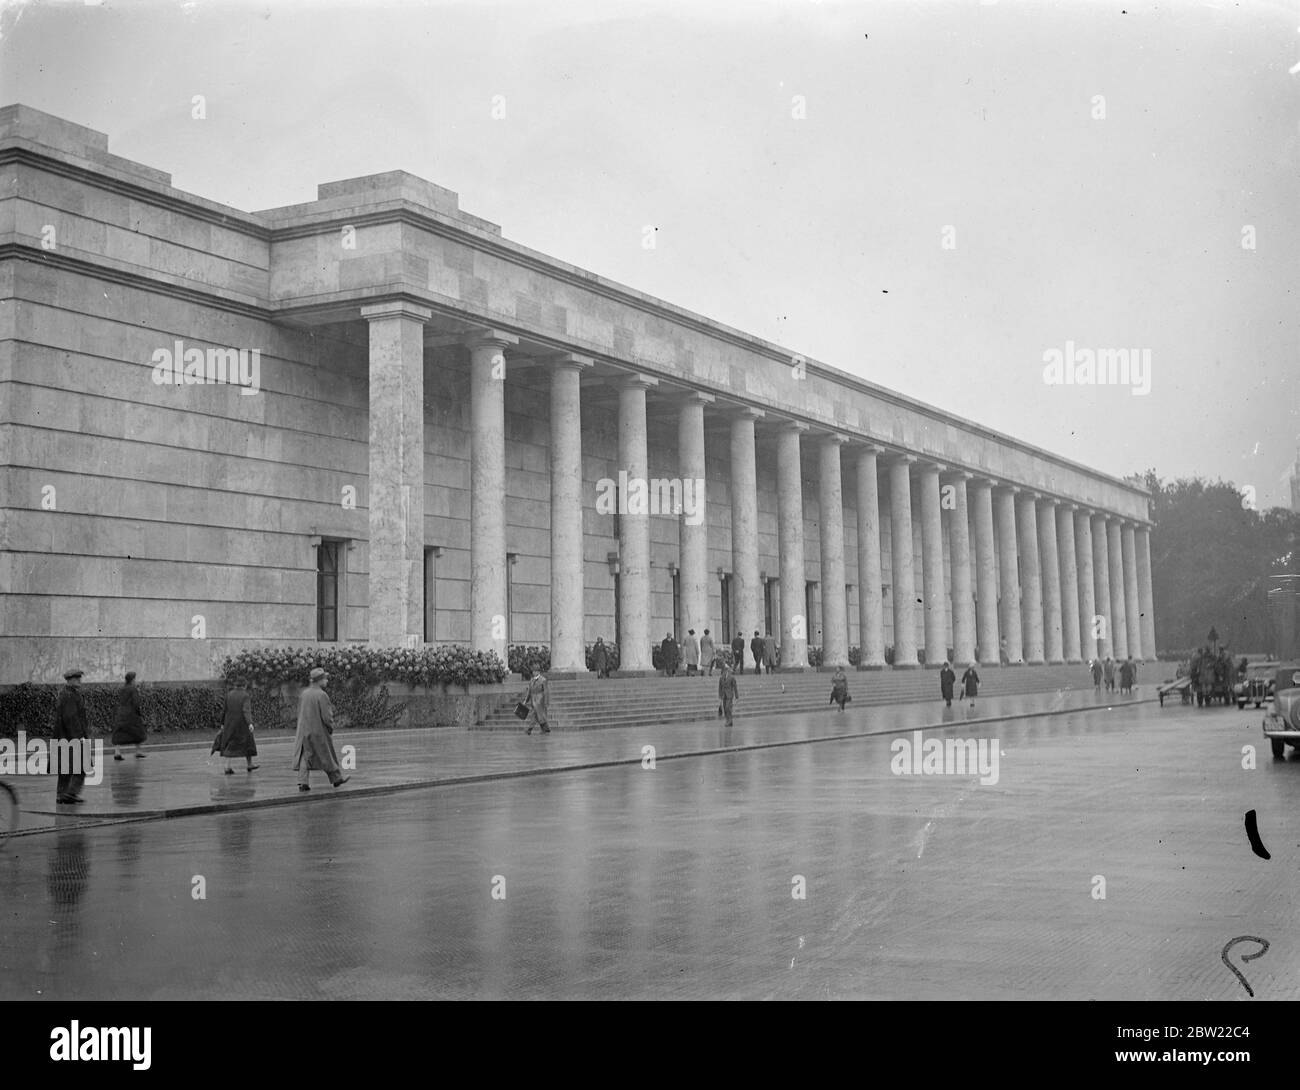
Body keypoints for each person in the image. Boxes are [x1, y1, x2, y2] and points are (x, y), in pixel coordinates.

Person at [293, 667, 349, 790]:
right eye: (325, 679)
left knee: (305, 756)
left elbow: (299, 712)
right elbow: (327, 716)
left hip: (304, 730)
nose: (327, 681)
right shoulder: (322, 695)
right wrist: (330, 727)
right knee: (326, 754)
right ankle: (336, 778)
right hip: (318, 730)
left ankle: (303, 782)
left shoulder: (304, 694)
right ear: (319, 680)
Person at [53, 668, 88, 804]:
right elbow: (71, 718)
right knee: (81, 766)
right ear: (70, 680)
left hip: (64, 736)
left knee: (65, 767)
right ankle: (71, 793)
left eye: (79, 678)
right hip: (70, 737)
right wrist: (79, 737)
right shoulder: (70, 695)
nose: (80, 680)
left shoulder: (68, 693)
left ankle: (61, 795)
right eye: (77, 678)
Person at [214, 682, 259, 773]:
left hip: (229, 724)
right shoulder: (245, 696)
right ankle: (249, 764)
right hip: (242, 725)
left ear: (235, 685)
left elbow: (224, 710)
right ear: (244, 685)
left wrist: (222, 723)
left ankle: (227, 767)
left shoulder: (229, 695)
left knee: (229, 744)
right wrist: (250, 723)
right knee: (248, 743)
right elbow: (246, 710)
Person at [111, 670, 148, 761]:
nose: (135, 681)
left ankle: (117, 752)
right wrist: (139, 712)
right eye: (135, 679)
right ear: (132, 680)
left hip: (121, 713)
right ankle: (138, 751)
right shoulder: (133, 689)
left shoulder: (122, 689)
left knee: (119, 733)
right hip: (131, 714)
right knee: (138, 732)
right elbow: (136, 702)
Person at [523, 667, 551, 735]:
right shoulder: (532, 680)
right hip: (533, 700)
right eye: (533, 671)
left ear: (538, 672)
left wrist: (546, 702)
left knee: (536, 715)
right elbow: (529, 691)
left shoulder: (543, 680)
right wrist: (525, 701)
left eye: (535, 671)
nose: (533, 672)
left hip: (540, 700)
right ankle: (546, 728)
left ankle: (529, 729)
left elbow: (546, 691)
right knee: (538, 716)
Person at [718, 662, 739, 726]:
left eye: (726, 669)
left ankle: (729, 720)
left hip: (729, 695)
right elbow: (720, 687)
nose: (725, 670)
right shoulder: (721, 678)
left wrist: (736, 696)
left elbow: (735, 687)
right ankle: (728, 720)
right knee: (724, 708)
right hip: (724, 695)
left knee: (728, 707)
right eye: (724, 669)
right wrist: (720, 696)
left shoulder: (732, 677)